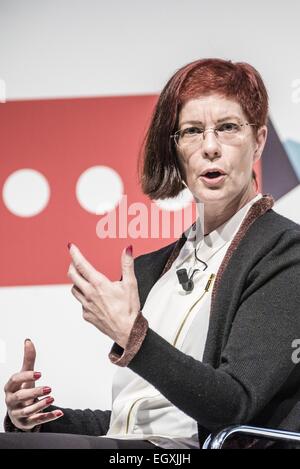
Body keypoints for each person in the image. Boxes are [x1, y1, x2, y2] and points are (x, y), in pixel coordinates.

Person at [2, 58, 300, 449]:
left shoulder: (283, 251)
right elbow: (136, 420)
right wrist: (36, 422)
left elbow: (233, 405)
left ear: (259, 140)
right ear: (176, 150)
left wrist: (133, 337)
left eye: (228, 128)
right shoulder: (153, 269)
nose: (210, 147)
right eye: (192, 131)